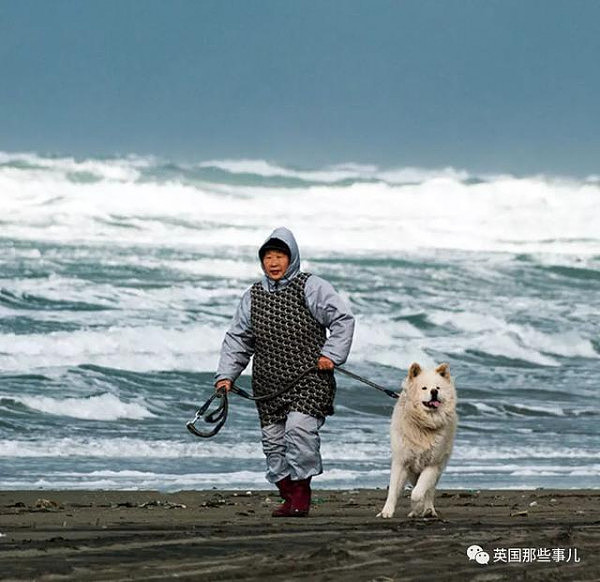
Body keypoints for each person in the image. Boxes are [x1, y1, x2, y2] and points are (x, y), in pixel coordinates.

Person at [215, 227, 355, 517]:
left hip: (309, 378)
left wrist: (331, 354)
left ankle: (301, 495)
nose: (274, 262)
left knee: (298, 431)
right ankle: (288, 494)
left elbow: (342, 320)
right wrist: (226, 375)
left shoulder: (311, 286)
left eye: (280, 256)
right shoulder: (253, 295)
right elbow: (239, 339)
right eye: (268, 257)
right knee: (274, 444)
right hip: (268, 383)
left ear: (291, 258)